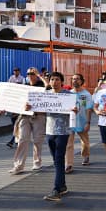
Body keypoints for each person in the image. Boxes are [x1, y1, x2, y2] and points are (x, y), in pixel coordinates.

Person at [31, 72, 76, 201]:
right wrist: (30, 107)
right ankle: (62, 186)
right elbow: (41, 111)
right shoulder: (47, 95)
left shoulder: (68, 95)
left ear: (61, 82)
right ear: (49, 82)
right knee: (56, 161)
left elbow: (76, 108)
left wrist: (75, 110)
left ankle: (56, 190)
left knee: (59, 157)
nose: (54, 82)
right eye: (52, 79)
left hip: (63, 131)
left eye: (57, 79)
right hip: (50, 130)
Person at [8, 67, 47, 174]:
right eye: (28, 73)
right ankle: (18, 165)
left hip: (39, 115)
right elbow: (17, 100)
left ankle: (37, 162)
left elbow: (48, 87)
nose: (30, 75)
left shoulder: (41, 85)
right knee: (22, 139)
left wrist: (40, 76)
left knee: (37, 140)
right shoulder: (24, 87)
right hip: (25, 116)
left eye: (33, 73)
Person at [65, 74, 93, 173]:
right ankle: (69, 164)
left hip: (82, 121)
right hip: (71, 122)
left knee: (85, 143)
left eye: (77, 79)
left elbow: (88, 109)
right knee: (69, 144)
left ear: (81, 81)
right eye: (73, 79)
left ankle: (85, 155)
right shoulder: (68, 93)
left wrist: (88, 122)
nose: (75, 81)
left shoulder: (86, 94)